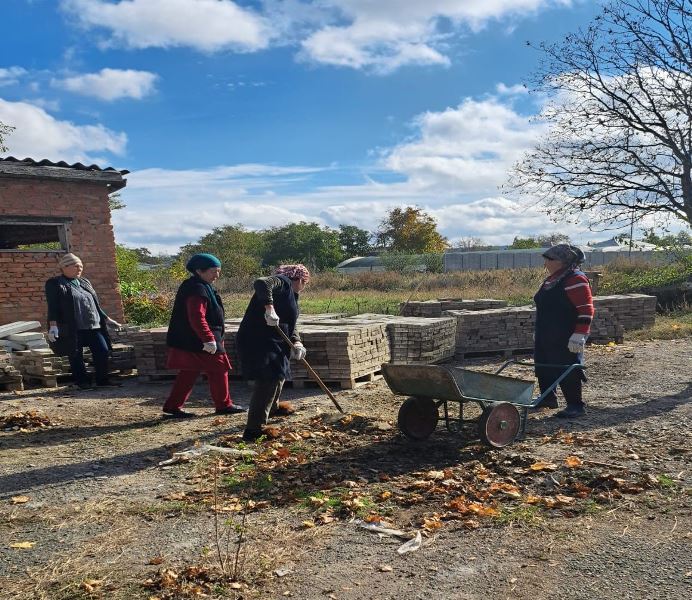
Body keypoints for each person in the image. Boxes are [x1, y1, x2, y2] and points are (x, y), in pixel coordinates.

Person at [163, 253, 246, 418]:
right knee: (219, 368)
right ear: (199, 271)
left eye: (219, 271)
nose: (217, 275)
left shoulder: (202, 285)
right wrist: (208, 338)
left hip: (194, 339)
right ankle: (224, 405)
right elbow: (196, 316)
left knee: (189, 371)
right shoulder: (196, 288)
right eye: (213, 271)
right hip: (198, 340)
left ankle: (173, 406)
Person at [237, 264, 309, 441]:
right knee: (268, 378)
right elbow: (262, 282)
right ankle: (254, 429)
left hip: (275, 341)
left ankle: (274, 407)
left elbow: (291, 323)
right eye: (305, 282)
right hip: (258, 340)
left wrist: (297, 342)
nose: (304, 286)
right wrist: (269, 308)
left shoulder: (292, 296)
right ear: (299, 279)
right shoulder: (283, 282)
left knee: (279, 373)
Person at [533, 244, 595, 418]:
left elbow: (586, 308)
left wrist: (580, 334)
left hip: (566, 334)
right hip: (546, 332)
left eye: (550, 259)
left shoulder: (575, 279)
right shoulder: (553, 279)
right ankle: (548, 398)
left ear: (563, 261)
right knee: (543, 365)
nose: (546, 263)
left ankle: (575, 405)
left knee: (567, 366)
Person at [45, 253, 122, 389]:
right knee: (75, 355)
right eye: (76, 266)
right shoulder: (55, 283)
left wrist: (108, 319)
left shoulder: (84, 282)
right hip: (73, 327)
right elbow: (53, 306)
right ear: (65, 267)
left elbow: (95, 304)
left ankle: (102, 380)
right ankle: (82, 382)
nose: (79, 269)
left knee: (102, 351)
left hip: (93, 325)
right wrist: (53, 326)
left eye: (81, 266)